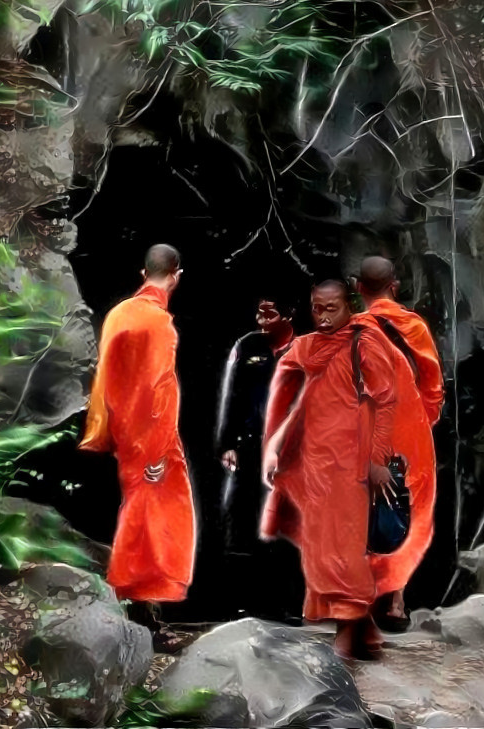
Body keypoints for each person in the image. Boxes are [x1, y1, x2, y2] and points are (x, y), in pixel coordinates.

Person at [260, 280, 399, 661]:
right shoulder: (307, 346)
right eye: (317, 309)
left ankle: (346, 634)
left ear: (350, 306)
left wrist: (378, 459)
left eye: (331, 308)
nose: (322, 317)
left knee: (344, 551)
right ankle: (365, 632)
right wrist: (276, 447)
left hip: (351, 465)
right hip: (315, 464)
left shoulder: (363, 344)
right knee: (320, 550)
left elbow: (387, 401)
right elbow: (285, 389)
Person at [79, 244, 196, 651]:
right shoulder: (158, 323)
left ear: (142, 272)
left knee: (141, 521)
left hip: (126, 432)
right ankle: (141, 617)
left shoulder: (119, 314)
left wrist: (107, 430)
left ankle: (144, 618)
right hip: (151, 438)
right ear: (176, 274)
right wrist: (159, 452)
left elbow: (104, 378)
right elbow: (160, 390)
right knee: (157, 528)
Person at [357, 255, 443, 632]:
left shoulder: (352, 330)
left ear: (359, 288)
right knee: (414, 511)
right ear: (394, 286)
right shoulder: (414, 327)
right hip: (412, 435)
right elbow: (434, 381)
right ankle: (396, 600)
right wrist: (423, 420)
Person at [216, 297, 302, 619]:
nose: (262, 320)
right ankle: (243, 602)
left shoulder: (303, 348)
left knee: (284, 522)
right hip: (251, 445)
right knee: (243, 518)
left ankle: (286, 603)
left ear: (289, 313)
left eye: (270, 314)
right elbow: (231, 393)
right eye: (259, 313)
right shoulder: (248, 345)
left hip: (291, 451)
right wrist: (228, 443)